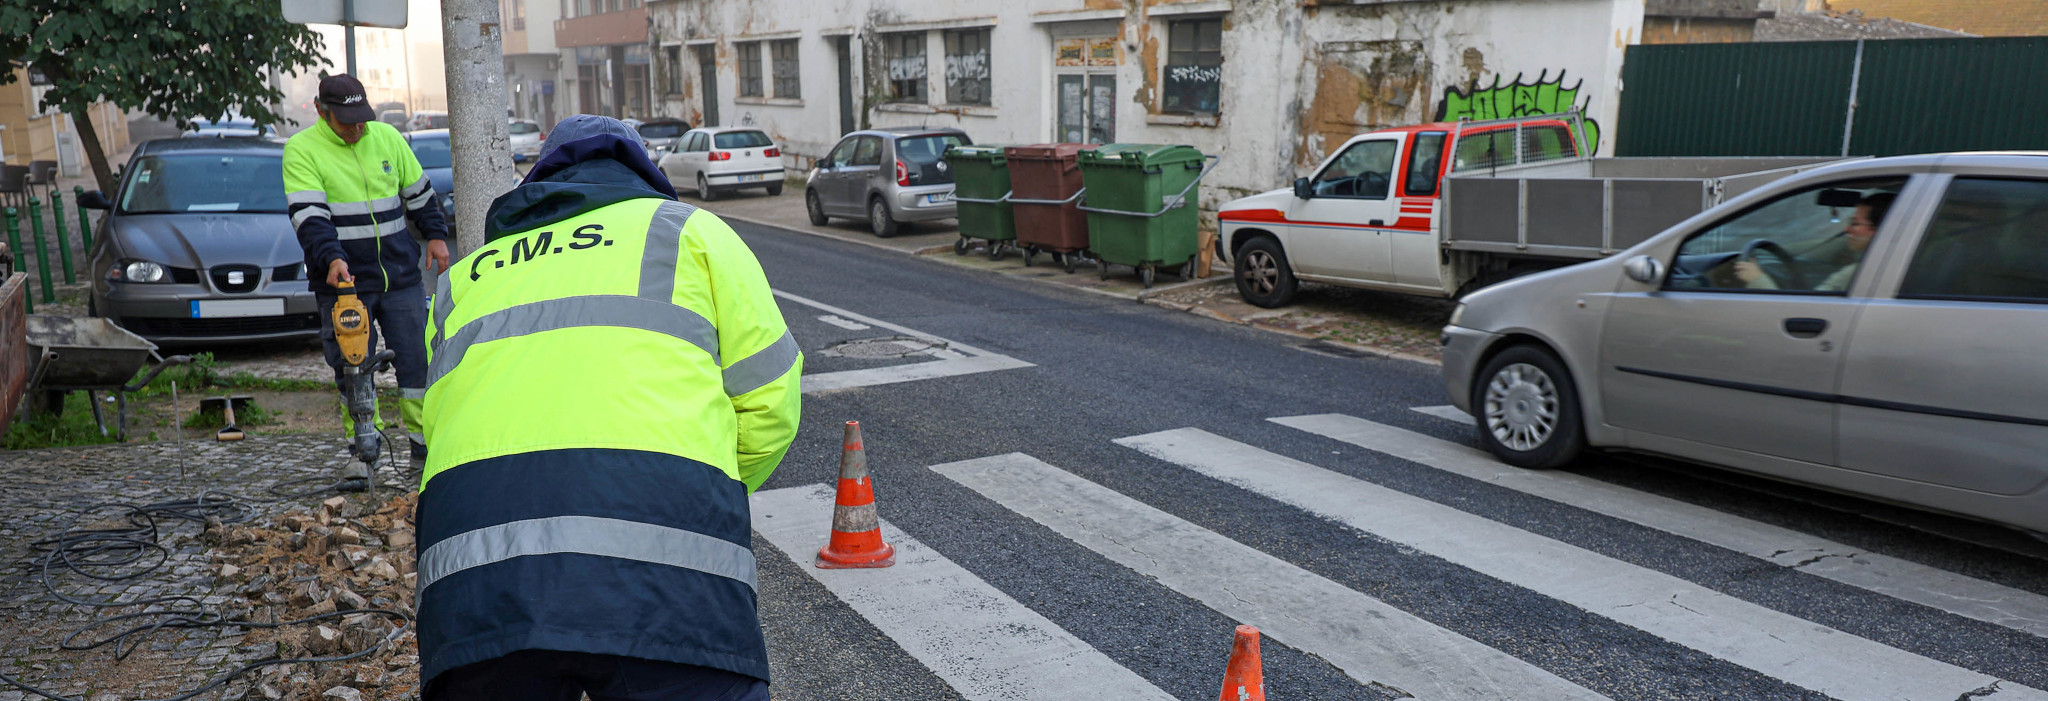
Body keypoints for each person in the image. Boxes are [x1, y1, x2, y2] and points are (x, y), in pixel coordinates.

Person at [416, 115, 801, 701]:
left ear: (540, 182)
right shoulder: (690, 234)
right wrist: (696, 488)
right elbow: (771, 403)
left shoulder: (463, 281)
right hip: (669, 582)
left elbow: (435, 424)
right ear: (641, 172)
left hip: (478, 584)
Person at [283, 74, 450, 467]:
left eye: (362, 119)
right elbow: (310, 217)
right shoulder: (302, 151)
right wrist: (332, 259)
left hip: (401, 278)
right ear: (322, 112)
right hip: (345, 285)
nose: (358, 128)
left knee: (417, 365)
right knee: (353, 367)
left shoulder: (386, 138)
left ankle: (424, 447)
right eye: (347, 121)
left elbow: (420, 194)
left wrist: (436, 235)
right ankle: (365, 445)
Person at [1736, 192, 1894, 292]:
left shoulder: (1858, 272)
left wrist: (1756, 278)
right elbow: (1823, 247)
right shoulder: (1894, 266)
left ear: (1879, 230)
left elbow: (1799, 314)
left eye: (1855, 223)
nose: (1847, 230)